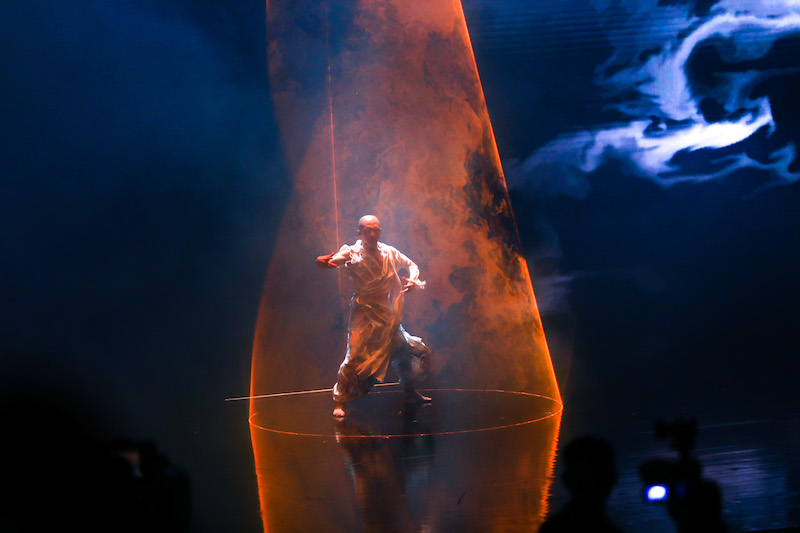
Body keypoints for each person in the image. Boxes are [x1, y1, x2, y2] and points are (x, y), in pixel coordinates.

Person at [316, 215, 431, 418]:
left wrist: (413, 280)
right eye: (367, 230)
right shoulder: (352, 253)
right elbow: (332, 261)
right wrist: (322, 262)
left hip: (386, 313)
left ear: (380, 231)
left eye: (375, 230)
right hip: (363, 314)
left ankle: (410, 392)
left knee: (404, 348)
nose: (372, 234)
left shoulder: (388, 252)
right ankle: (339, 400)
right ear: (359, 232)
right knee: (354, 357)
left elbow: (411, 264)